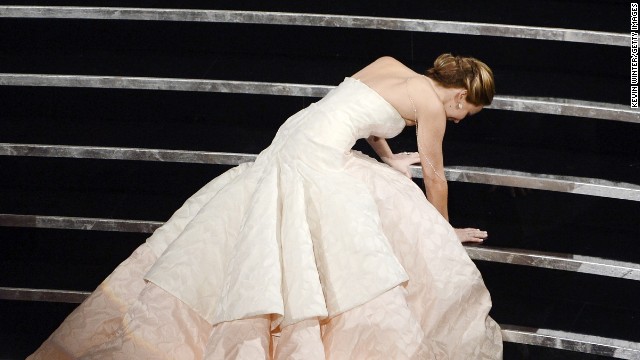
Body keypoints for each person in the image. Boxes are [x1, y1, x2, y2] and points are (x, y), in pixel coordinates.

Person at [29, 54, 502, 359]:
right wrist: (442, 235)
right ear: (460, 95)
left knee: (280, 232)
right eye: (467, 113)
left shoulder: (389, 64)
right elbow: (436, 177)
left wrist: (388, 157)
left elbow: (357, 109)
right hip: (316, 152)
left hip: (294, 135)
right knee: (341, 239)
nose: (460, 120)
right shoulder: (434, 108)